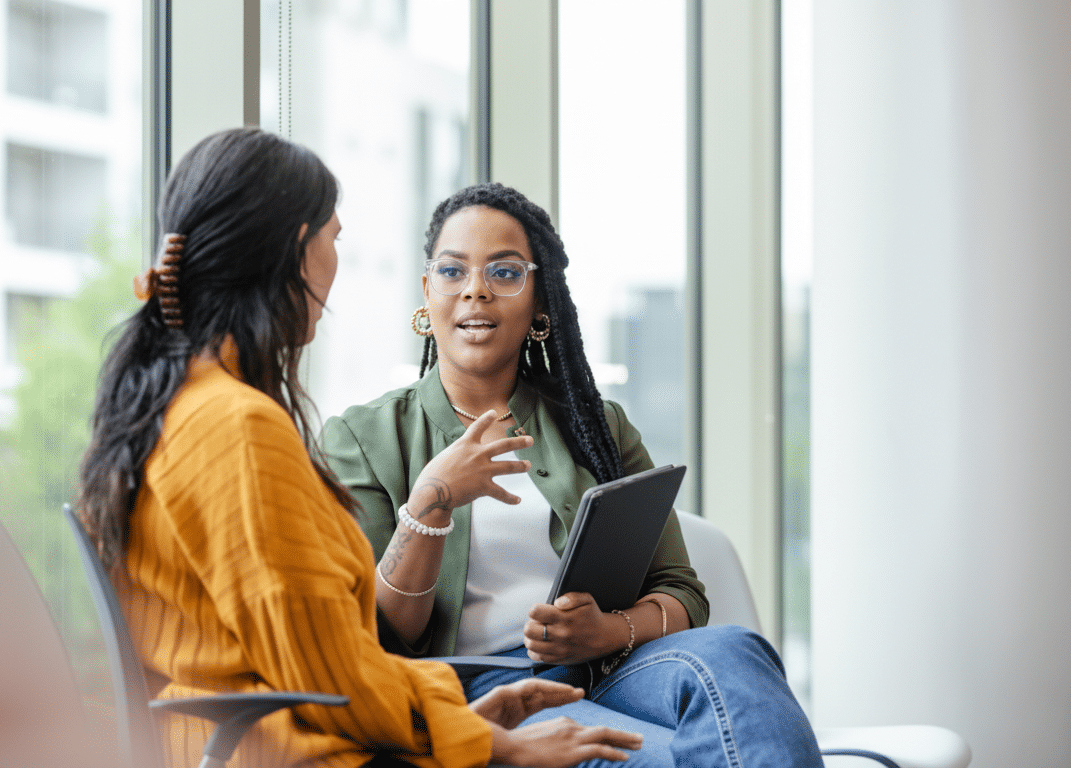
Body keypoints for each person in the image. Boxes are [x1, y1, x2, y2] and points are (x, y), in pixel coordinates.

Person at [74, 129, 644, 768]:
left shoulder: (181, 405)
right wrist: (492, 745)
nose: (475, 291)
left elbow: (323, 664)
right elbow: (326, 679)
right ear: (298, 250)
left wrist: (449, 715)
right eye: (334, 239)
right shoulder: (237, 430)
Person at [321, 182, 825, 767]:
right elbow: (383, 635)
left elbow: (683, 593)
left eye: (505, 273)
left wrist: (604, 633)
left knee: (738, 648)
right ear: (428, 290)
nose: (476, 291)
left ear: (540, 301)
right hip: (486, 688)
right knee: (672, 759)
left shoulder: (595, 424)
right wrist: (434, 499)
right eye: (453, 271)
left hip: (615, 665)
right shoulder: (362, 437)